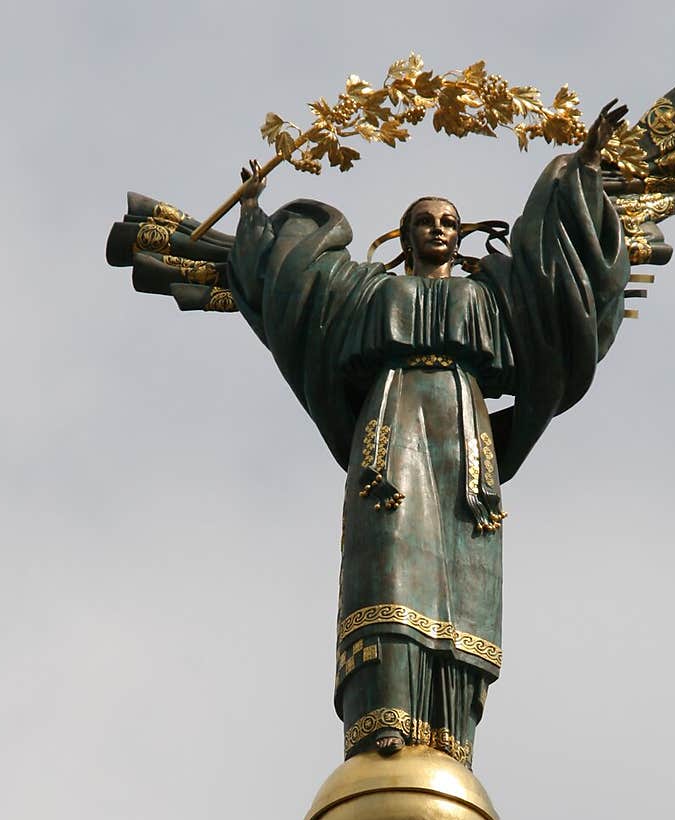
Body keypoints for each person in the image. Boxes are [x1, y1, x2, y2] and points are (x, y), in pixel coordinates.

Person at [227, 102, 631, 766]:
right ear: (406, 234)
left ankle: (450, 732)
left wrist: (580, 167)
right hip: (391, 430)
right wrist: (254, 220)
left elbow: (551, 270)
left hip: (465, 441)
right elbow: (297, 292)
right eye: (425, 222)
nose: (438, 231)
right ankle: (382, 714)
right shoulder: (369, 294)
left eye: (448, 223)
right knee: (388, 563)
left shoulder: (486, 299)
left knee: (461, 577)